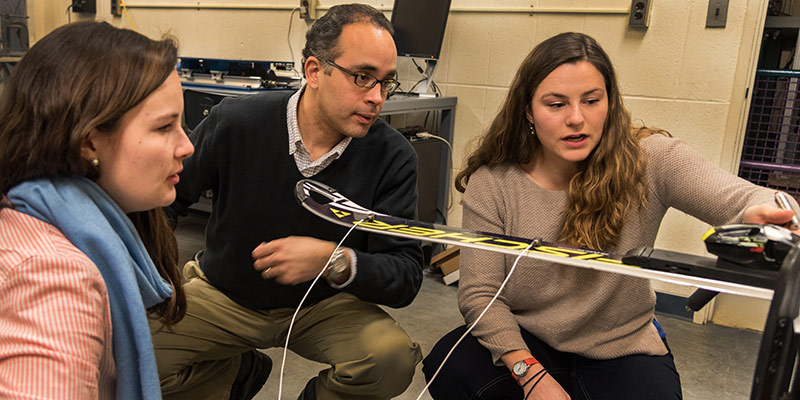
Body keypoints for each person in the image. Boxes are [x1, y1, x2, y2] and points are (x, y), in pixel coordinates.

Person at [421, 32, 800, 400]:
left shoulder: (651, 159)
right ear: (528, 112)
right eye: (556, 104)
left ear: (611, 103)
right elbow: (479, 294)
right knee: (451, 366)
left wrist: (773, 213)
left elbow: (747, 198)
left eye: (591, 100)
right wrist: (530, 375)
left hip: (621, 345)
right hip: (527, 337)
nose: (576, 118)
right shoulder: (494, 182)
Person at [151, 3, 424, 400]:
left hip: (324, 306)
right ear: (315, 71)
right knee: (126, 353)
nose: (378, 98)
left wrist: (333, 261)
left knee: (390, 361)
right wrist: (151, 277)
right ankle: (234, 376)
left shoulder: (393, 157)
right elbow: (166, 200)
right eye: (363, 77)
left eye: (386, 82)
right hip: (224, 295)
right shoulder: (237, 122)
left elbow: (405, 274)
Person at [0, 21, 194, 398]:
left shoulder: (31, 205)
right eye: (164, 127)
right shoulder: (54, 276)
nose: (186, 145)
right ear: (89, 142)